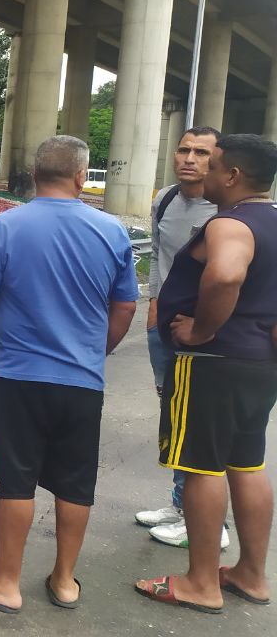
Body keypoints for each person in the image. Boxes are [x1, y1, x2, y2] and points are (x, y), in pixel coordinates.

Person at [0, 135, 138, 613]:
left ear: (34, 176)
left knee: (16, 481)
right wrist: (98, 350)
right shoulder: (111, 230)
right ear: (81, 177)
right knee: (75, 482)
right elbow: (126, 303)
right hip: (82, 382)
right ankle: (65, 580)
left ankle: (5, 583)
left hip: (19, 378)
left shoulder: (8, 226)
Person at [135, 134, 277, 614]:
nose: (203, 170)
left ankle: (201, 581)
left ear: (233, 175)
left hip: (214, 364)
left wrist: (200, 330)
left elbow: (225, 275)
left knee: (201, 466)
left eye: (212, 163)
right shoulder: (276, 220)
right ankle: (251, 575)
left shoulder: (231, 224)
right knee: (247, 462)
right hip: (258, 364)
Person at [134, 127, 225, 549]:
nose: (189, 158)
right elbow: (157, 255)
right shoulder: (164, 199)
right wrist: (154, 305)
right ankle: (180, 502)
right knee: (175, 413)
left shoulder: (226, 208)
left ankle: (210, 525)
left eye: (201, 152)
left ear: (218, 162)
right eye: (184, 149)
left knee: (202, 421)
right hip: (164, 327)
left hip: (206, 333)